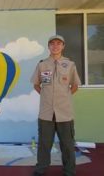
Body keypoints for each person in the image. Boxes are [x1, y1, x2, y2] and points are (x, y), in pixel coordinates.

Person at [31, 35, 81, 176]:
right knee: (44, 144)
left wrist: (64, 97)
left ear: (63, 46)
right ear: (49, 47)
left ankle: (69, 171)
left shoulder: (70, 64)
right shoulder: (42, 64)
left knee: (67, 145)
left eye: (58, 43)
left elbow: (75, 85)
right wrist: (47, 97)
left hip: (64, 112)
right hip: (46, 112)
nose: (55, 46)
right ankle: (41, 169)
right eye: (52, 44)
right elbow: (36, 84)